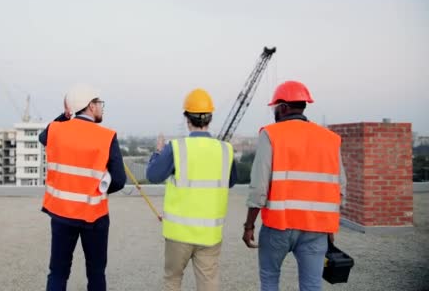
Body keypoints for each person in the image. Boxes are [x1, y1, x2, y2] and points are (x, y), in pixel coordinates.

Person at [241, 80, 347, 291]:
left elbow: (259, 188)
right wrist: (329, 227)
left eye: (275, 107)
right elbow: (340, 188)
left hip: (279, 225)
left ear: (283, 107)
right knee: (312, 285)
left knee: (270, 279)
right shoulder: (330, 139)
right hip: (316, 227)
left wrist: (249, 225)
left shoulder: (271, 134)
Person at [146, 88, 237, 291]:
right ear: (210, 118)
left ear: (187, 119)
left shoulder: (176, 148)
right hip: (210, 235)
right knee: (208, 282)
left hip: (179, 234)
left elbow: (153, 175)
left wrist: (158, 151)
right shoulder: (225, 149)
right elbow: (230, 182)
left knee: (172, 280)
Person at [38, 84, 126, 291]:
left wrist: (65, 115)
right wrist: (96, 189)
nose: (101, 108)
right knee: (95, 273)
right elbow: (120, 180)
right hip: (94, 216)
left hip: (61, 214)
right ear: (90, 106)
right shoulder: (107, 136)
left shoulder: (55, 130)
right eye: (99, 103)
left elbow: (42, 137)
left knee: (58, 273)